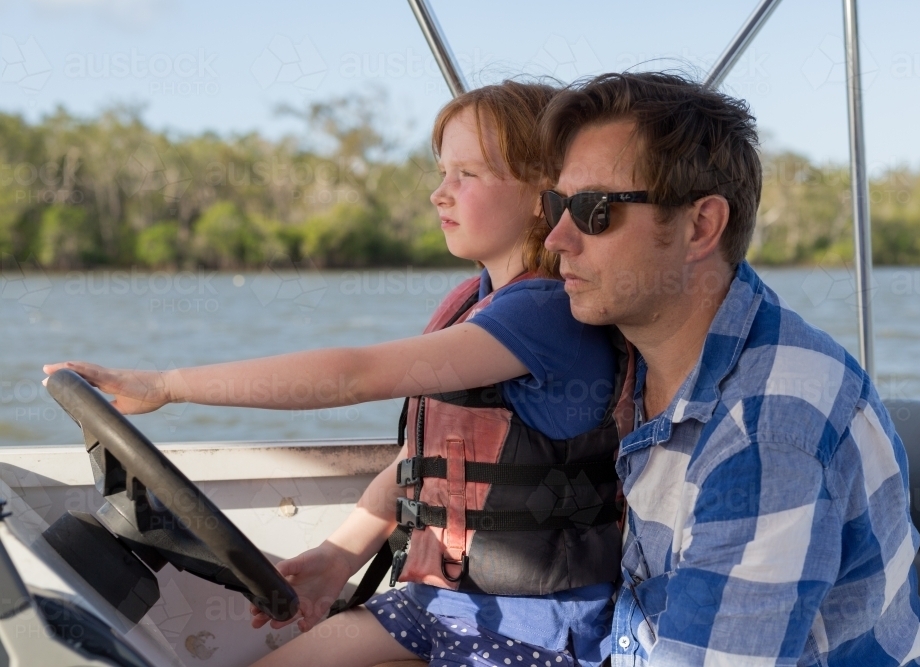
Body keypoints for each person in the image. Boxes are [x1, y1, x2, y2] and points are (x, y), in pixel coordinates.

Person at [43, 80, 632, 667]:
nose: (439, 195)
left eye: (467, 176)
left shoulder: (547, 313)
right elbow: (420, 461)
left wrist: (167, 385)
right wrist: (336, 558)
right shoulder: (467, 301)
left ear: (541, 196)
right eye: (441, 172)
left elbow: (353, 376)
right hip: (435, 602)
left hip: (533, 627)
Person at [538, 72, 920, 666]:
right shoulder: (638, 356)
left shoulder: (768, 428)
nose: (556, 236)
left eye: (594, 210)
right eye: (556, 204)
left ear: (701, 226)